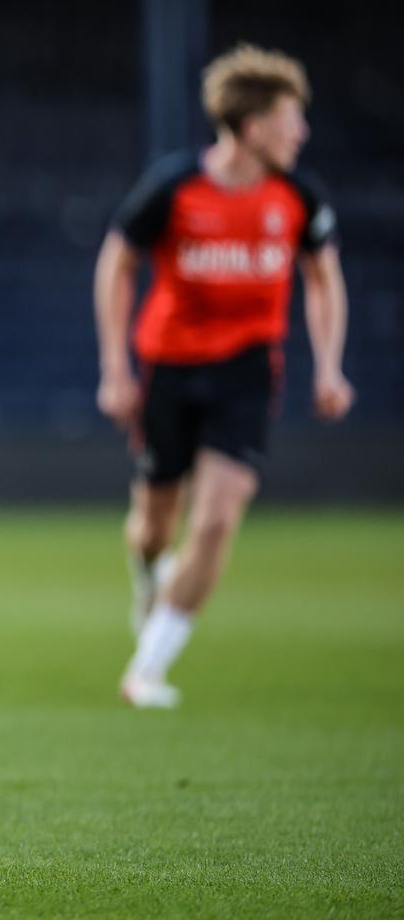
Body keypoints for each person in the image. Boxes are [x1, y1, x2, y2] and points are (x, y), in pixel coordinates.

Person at [93, 43, 353, 709]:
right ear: (251, 124)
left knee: (215, 521)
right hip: (169, 369)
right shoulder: (176, 186)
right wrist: (115, 367)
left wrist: (329, 364)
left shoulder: (298, 196)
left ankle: (144, 671)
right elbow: (117, 262)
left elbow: (322, 278)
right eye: (290, 118)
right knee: (155, 525)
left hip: (246, 372)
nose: (302, 132)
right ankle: (148, 573)